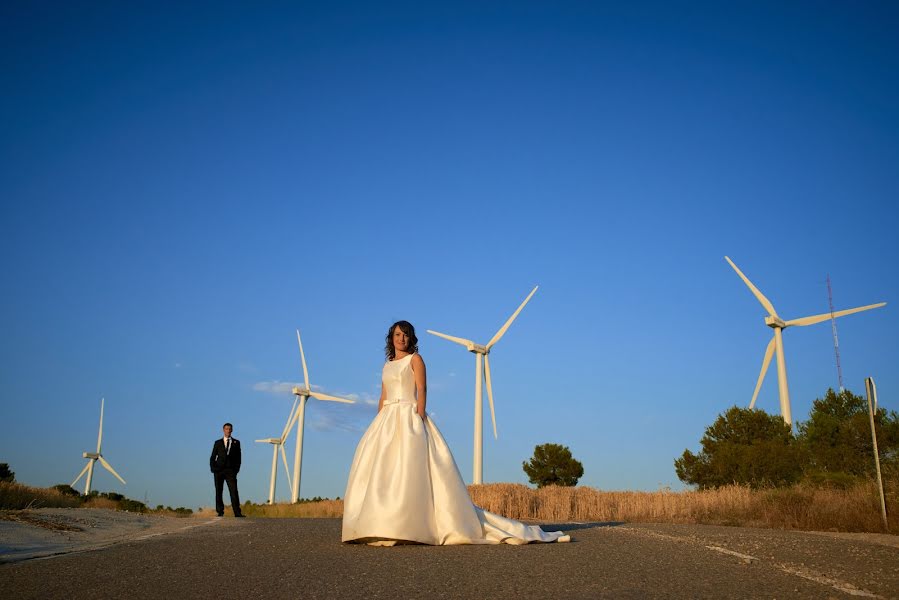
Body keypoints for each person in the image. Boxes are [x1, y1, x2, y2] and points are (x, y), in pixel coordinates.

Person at [342, 320, 569, 545]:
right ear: (391, 338)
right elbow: (383, 395)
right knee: (383, 474)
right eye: (398, 335)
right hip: (386, 420)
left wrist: (419, 417)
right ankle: (380, 524)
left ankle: (410, 526)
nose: (401, 339)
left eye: (406, 335)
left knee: (408, 472)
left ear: (411, 338)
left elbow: (421, 389)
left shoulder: (415, 360)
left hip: (408, 416)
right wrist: (378, 420)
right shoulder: (387, 365)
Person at [210, 422, 244, 517]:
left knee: (234, 491)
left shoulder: (236, 442)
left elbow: (239, 458)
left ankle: (237, 512)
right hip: (219, 470)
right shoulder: (217, 443)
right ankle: (220, 512)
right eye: (226, 429)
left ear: (232, 430)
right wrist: (213, 469)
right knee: (219, 491)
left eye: (229, 429)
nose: (228, 431)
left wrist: (236, 470)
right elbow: (213, 457)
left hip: (231, 471)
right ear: (223, 430)